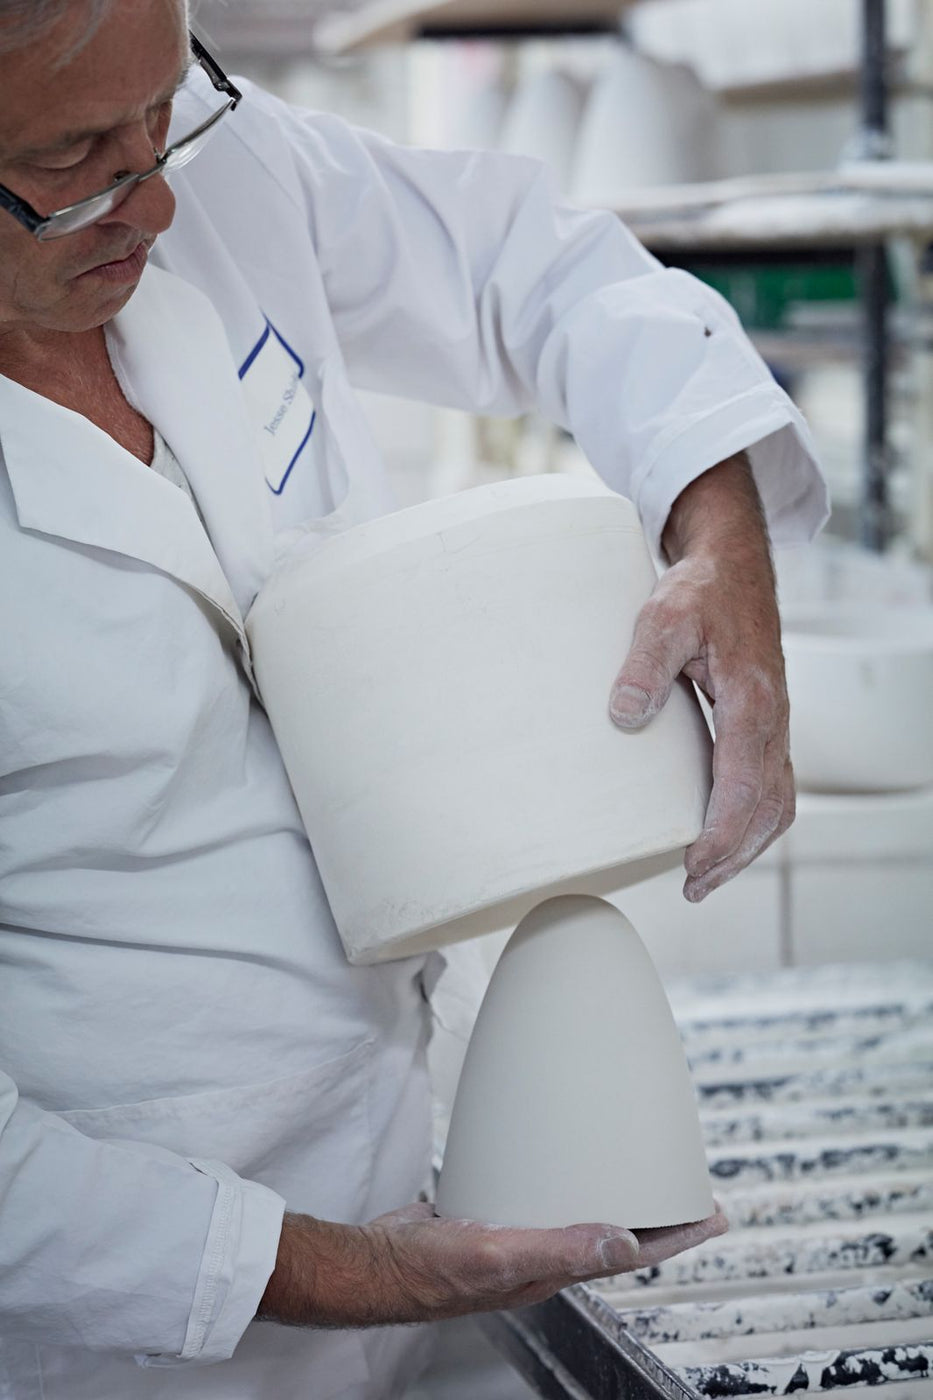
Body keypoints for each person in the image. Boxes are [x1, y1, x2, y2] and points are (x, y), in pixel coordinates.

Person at [0, 1, 827, 1396]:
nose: (159, 196)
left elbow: (534, 264)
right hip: (118, 1334)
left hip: (405, 1179)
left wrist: (718, 529)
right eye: (71, 157)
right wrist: (358, 1273)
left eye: (165, 110)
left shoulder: (221, 176)